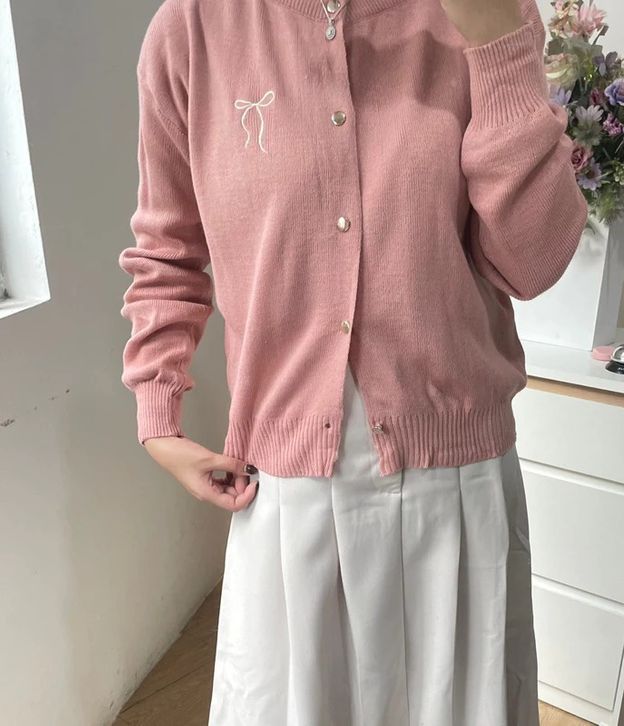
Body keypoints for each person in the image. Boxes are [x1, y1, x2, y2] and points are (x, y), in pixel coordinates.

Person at [118, 0, 589, 723]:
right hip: (288, 486)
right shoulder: (191, 31)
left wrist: (498, 45)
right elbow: (167, 250)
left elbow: (534, 262)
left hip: (457, 479)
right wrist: (158, 416)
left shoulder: (484, 14)